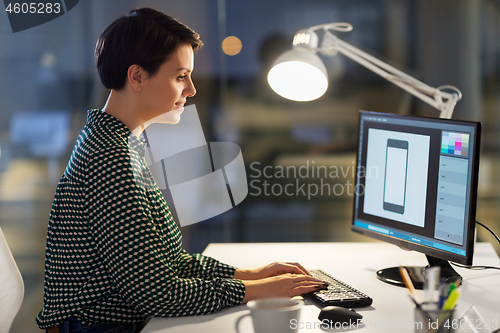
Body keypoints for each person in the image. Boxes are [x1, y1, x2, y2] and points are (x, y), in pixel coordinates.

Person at [36, 8, 326, 333]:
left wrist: (253, 275)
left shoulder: (117, 142)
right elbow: (159, 295)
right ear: (137, 77)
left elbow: (167, 266)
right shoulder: (110, 159)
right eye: (179, 76)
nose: (191, 89)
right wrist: (256, 292)